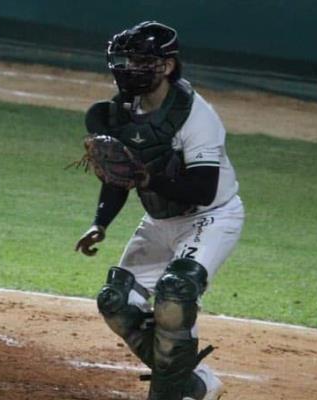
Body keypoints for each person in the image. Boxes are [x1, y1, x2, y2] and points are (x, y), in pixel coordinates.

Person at [75, 21, 244, 400]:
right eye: (127, 59)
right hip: (159, 219)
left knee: (176, 294)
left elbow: (203, 189)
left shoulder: (196, 116)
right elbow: (120, 174)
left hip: (211, 217)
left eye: (141, 60)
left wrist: (148, 180)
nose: (129, 67)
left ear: (167, 66)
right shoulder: (124, 111)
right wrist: (100, 222)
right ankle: (193, 380)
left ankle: (170, 394)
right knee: (116, 302)